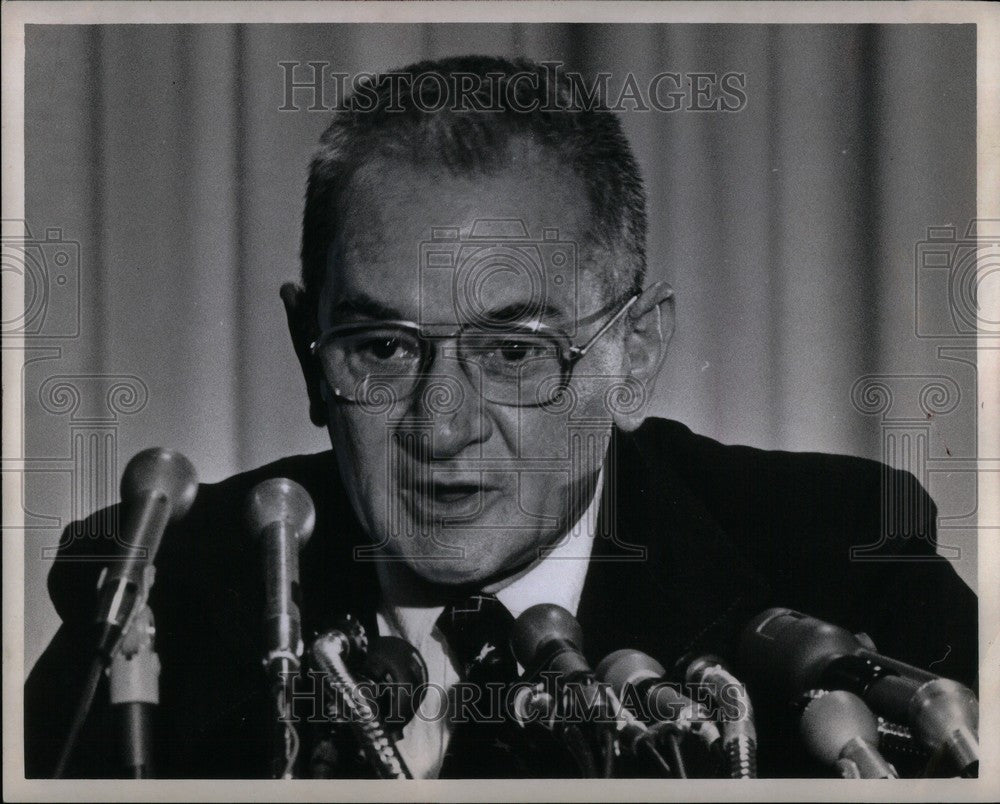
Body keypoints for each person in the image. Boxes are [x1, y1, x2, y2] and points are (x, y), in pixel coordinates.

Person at [25, 55, 977, 779]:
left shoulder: (850, 568)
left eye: (516, 353)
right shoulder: (160, 600)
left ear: (635, 354)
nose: (441, 428)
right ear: (305, 348)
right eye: (384, 348)